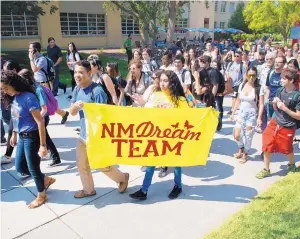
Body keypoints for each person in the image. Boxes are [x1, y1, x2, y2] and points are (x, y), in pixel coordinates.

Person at [70, 60, 129, 198]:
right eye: (75, 72)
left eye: (81, 72)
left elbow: (103, 116)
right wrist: (77, 106)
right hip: (83, 135)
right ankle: (88, 189)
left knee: (101, 164)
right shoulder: (77, 89)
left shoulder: (97, 91)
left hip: (96, 136)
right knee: (81, 164)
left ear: (89, 73)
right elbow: (72, 112)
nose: (77, 75)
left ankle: (122, 178)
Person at [129, 71, 189, 200]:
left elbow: (187, 118)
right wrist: (141, 103)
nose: (162, 83)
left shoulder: (181, 100)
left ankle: (178, 186)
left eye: (166, 80)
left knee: (175, 163)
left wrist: (171, 111)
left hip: (173, 137)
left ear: (172, 82)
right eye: (161, 80)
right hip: (157, 135)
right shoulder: (155, 96)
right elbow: (148, 112)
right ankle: (144, 190)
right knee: (151, 162)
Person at [0, 71, 55, 208]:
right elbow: (16, 117)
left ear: (13, 84)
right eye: (2, 89)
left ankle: (41, 195)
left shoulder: (28, 98)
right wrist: (14, 133)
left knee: (32, 167)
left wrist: (43, 145)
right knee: (20, 167)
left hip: (32, 136)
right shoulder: (15, 97)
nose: (4, 91)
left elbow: (40, 122)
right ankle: (45, 179)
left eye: (6, 88)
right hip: (22, 136)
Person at [257, 69, 300, 179]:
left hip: (288, 126)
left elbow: (299, 116)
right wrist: (275, 103)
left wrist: (284, 108)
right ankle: (266, 169)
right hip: (276, 121)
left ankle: (291, 164)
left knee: (287, 148)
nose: (281, 80)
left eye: (284, 78)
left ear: (291, 80)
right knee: (267, 143)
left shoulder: (299, 97)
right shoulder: (280, 90)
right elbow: (276, 108)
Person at [18, 69, 62, 167]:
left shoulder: (38, 89)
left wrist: (37, 119)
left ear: (27, 79)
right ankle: (55, 157)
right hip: (39, 119)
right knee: (46, 138)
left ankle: (51, 157)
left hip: (42, 118)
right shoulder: (31, 88)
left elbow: (44, 108)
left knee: (43, 138)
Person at [29, 42, 69, 124]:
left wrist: (30, 59)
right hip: (38, 84)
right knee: (43, 103)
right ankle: (62, 114)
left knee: (48, 103)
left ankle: (63, 114)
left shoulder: (42, 59)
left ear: (35, 49)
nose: (29, 50)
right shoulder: (35, 58)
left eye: (30, 49)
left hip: (45, 84)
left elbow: (34, 69)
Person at [230, 67, 263, 163]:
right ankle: (241, 147)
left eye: (254, 75)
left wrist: (259, 118)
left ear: (257, 76)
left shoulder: (259, 88)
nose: (251, 77)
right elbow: (238, 100)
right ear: (246, 75)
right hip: (241, 113)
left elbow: (261, 104)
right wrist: (233, 112)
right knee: (236, 135)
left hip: (252, 115)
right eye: (249, 75)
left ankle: (245, 153)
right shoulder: (242, 85)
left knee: (248, 136)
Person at [1, 60, 21, 164]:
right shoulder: (11, 79)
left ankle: (47, 149)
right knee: (11, 130)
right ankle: (8, 155)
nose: (4, 74)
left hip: (26, 111)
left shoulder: (21, 80)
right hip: (16, 110)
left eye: (6, 71)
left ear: (13, 70)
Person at [225, 51, 247, 115]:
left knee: (234, 97)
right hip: (231, 83)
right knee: (233, 96)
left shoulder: (242, 66)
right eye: (235, 56)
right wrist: (228, 75)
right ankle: (234, 108)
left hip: (238, 84)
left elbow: (244, 76)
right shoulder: (230, 64)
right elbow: (227, 71)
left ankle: (233, 110)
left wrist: (243, 84)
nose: (236, 57)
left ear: (241, 57)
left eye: (238, 56)